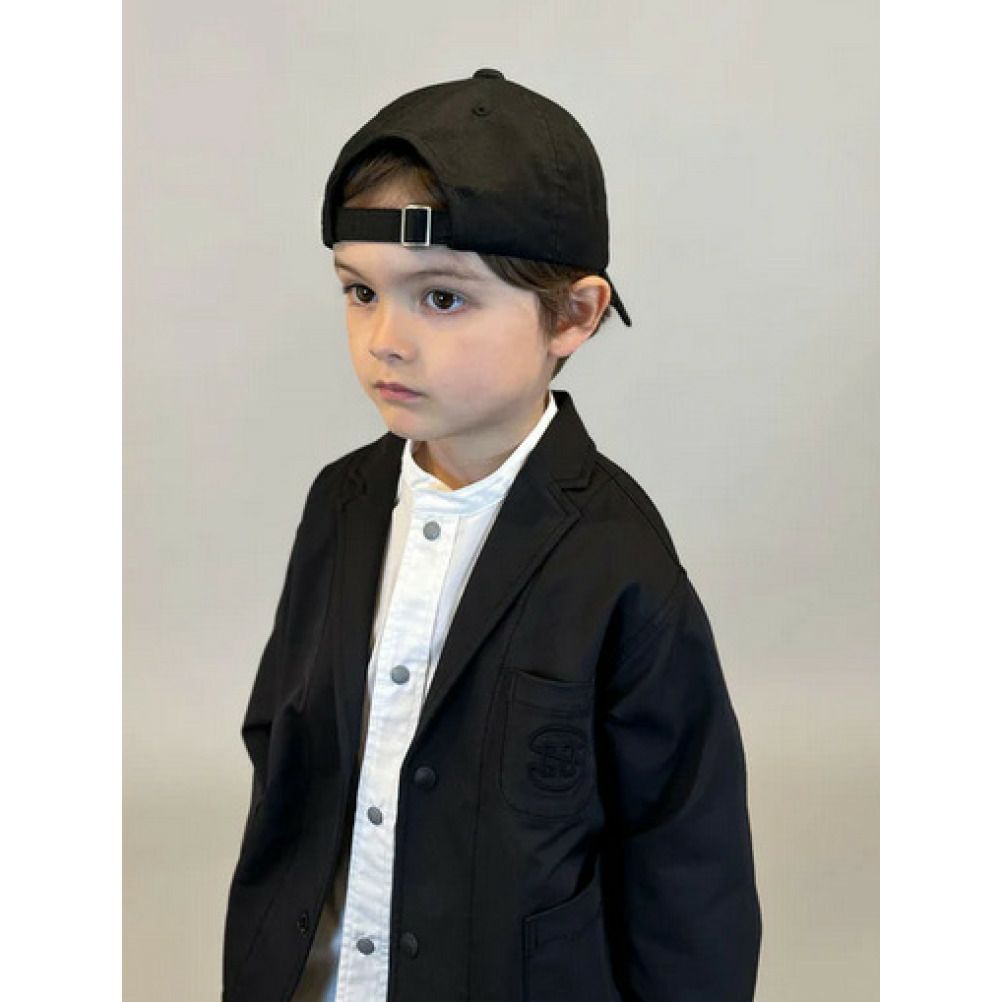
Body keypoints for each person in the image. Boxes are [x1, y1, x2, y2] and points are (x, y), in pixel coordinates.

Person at [221, 68, 762, 1002]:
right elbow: (285, 752)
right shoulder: (341, 504)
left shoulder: (620, 561)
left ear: (574, 315)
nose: (385, 339)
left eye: (441, 298)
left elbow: (686, 859)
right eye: (360, 292)